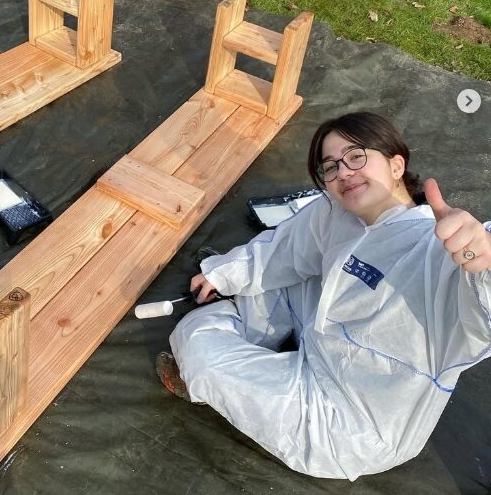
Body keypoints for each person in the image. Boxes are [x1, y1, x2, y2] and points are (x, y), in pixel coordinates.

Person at [157, 112, 491, 480]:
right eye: (330, 166)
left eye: (356, 156)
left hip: (344, 422)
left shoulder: (438, 254)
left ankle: (216, 350)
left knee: (198, 348)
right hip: (321, 339)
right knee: (279, 275)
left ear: (396, 165)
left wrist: (483, 262)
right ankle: (231, 309)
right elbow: (284, 249)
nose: (343, 172)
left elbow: (482, 313)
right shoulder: (336, 212)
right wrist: (223, 274)